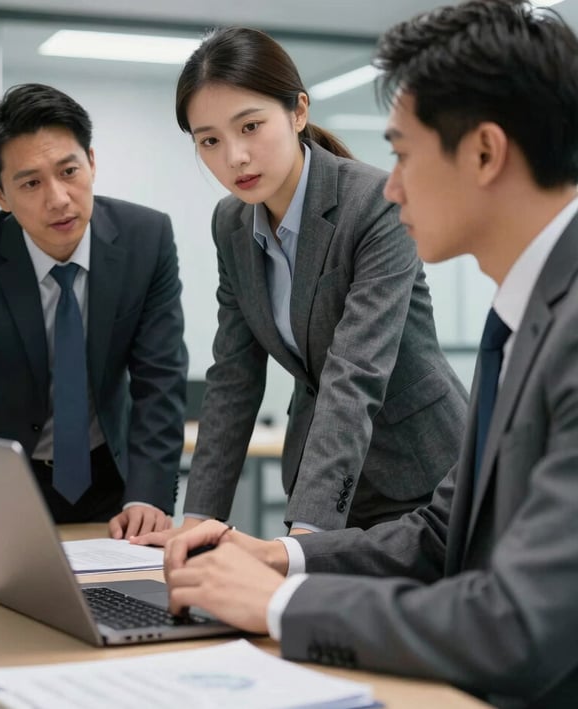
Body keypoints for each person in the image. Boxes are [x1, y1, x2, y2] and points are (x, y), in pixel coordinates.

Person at [137, 1, 578, 706]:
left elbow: (517, 622)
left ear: (485, 151)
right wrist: (274, 554)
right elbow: (440, 533)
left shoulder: (560, 329)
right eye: (210, 140)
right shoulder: (529, 314)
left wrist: (281, 601)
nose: (392, 183)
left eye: (402, 153)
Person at [168, 27, 467, 534]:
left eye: (251, 127)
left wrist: (305, 535)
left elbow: (355, 372)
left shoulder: (374, 203)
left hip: (425, 474)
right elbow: (234, 379)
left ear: (298, 112)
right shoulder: (232, 225)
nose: (234, 157)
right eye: (210, 141)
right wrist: (196, 521)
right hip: (324, 468)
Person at [0, 83, 188, 555]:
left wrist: (148, 493)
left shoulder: (146, 240)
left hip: (109, 481)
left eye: (69, 171)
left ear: (92, 161)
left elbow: (159, 380)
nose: (59, 198)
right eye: (30, 183)